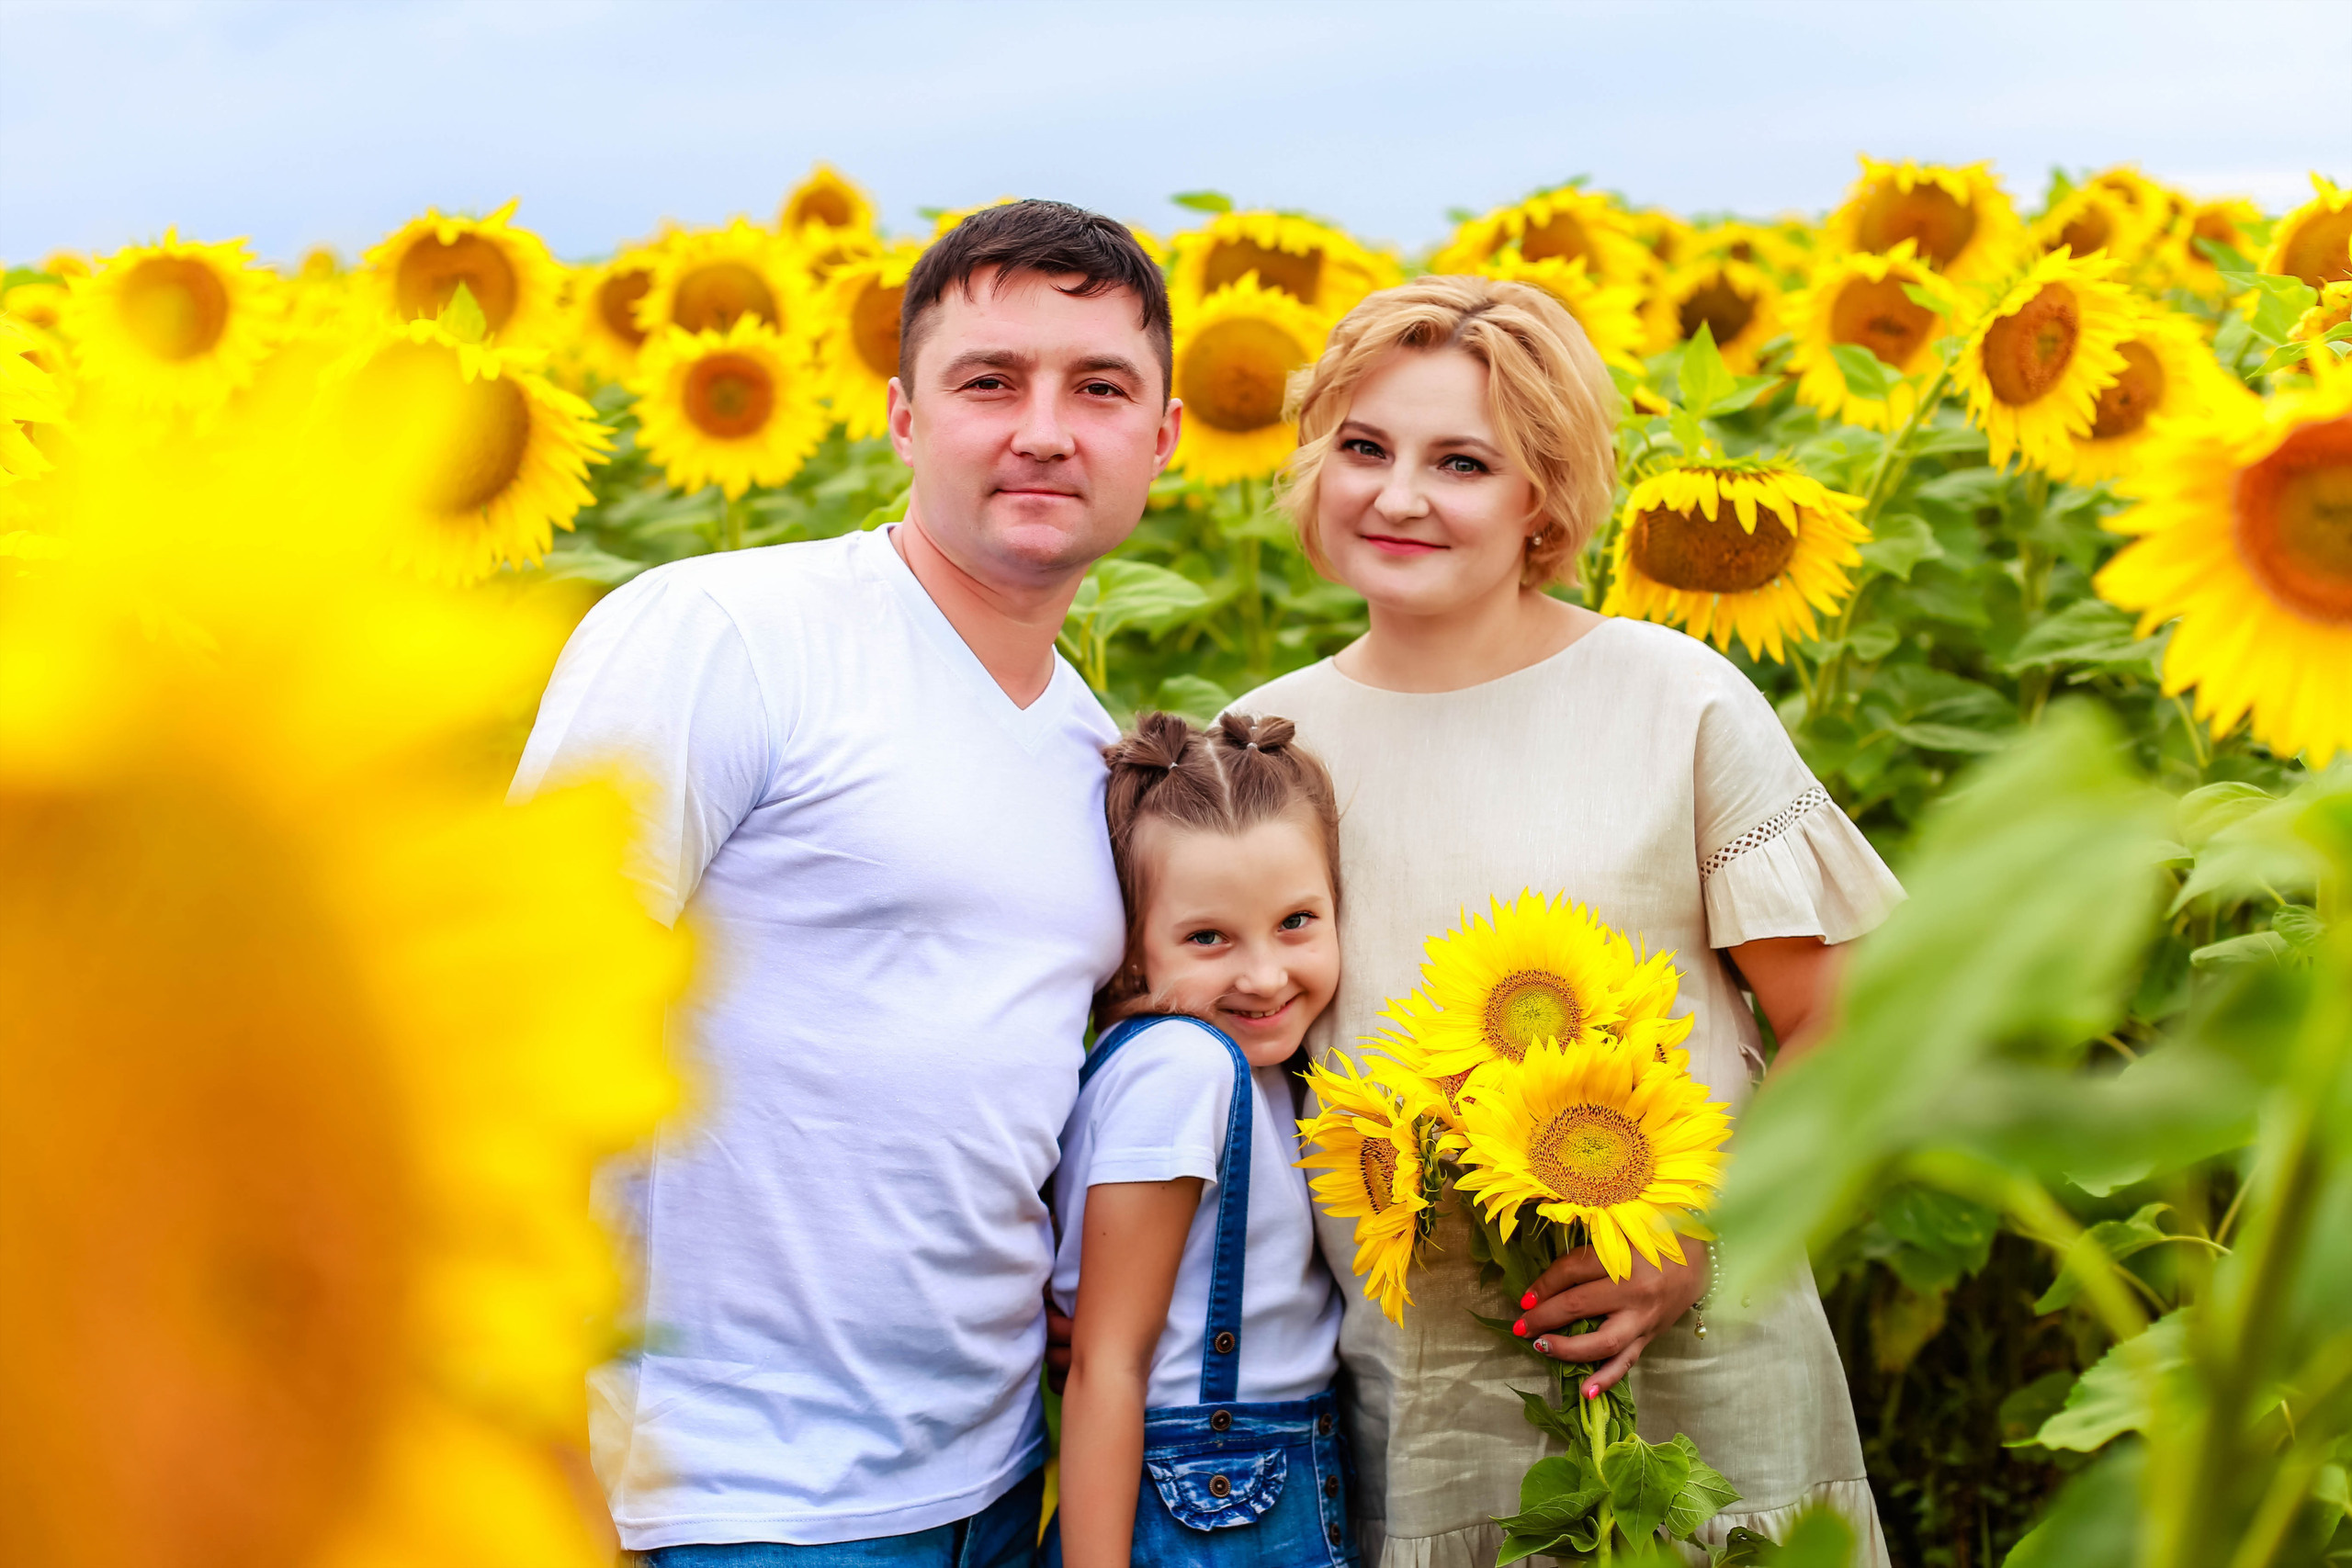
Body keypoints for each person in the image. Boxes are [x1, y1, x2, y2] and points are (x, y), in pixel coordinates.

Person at [509, 200, 1182, 1564]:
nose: (1043, 428)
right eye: (989, 381)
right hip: (724, 1497)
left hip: (991, 1484)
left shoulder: (1089, 746)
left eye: (1098, 387)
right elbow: (503, 1029)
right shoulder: (726, 636)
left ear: (1162, 438)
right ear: (900, 416)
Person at [1234, 275, 1903, 1564]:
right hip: (1420, 1369)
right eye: (1363, 446)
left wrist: (1702, 1245)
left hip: (1701, 1351)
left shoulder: (1674, 697)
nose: (1399, 494)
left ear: (1541, 497)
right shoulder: (1266, 741)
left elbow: (1847, 1011)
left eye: (1463, 461)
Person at [1050, 712, 1358, 1568]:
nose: (1264, 974)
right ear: (1133, 952)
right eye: (1208, 937)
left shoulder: (1245, 1068)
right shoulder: (1186, 1067)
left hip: (1243, 1477)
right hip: (1210, 1494)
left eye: (1298, 920)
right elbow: (1106, 1367)